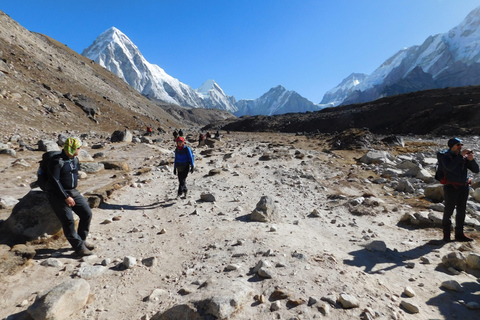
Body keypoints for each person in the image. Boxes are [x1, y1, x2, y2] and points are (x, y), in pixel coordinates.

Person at [46, 137, 95, 256]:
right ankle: (79, 248)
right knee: (68, 221)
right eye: (79, 147)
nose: (80, 149)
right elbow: (54, 181)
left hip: (73, 191)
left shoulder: (74, 159)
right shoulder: (57, 161)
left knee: (86, 213)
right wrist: (66, 197)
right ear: (72, 148)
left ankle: (81, 241)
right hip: (57, 194)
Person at [441, 138, 479, 242]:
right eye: (458, 145)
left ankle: (459, 234)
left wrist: (472, 159)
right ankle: (446, 235)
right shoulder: (446, 156)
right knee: (448, 211)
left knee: (461, 211)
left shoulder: (463, 157)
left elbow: (476, 170)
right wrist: (460, 156)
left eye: (461, 144)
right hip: (451, 188)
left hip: (464, 187)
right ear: (452, 145)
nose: (460, 146)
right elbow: (449, 168)